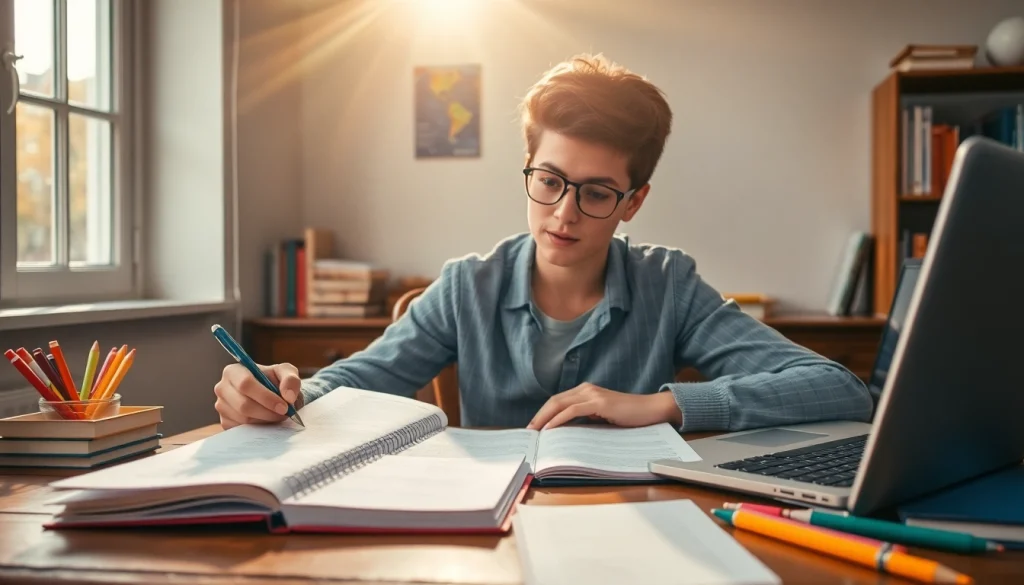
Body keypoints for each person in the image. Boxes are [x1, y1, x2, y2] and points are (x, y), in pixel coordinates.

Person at [214, 53, 873, 433]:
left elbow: (840, 388)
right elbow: (355, 381)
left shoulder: (668, 285)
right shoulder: (466, 286)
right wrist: (282, 392)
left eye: (597, 192)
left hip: (630, 524)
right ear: (528, 167)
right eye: (549, 181)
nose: (563, 214)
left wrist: (663, 403)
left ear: (634, 202)